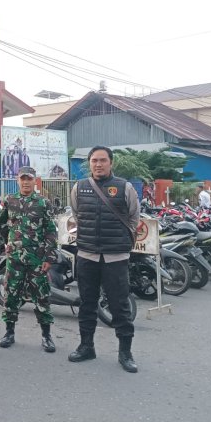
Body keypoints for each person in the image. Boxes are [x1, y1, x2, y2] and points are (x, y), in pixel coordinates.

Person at [68, 145, 140, 373]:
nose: (98, 164)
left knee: (120, 306)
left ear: (111, 163)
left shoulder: (125, 188)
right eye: (94, 161)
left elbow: (134, 217)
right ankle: (86, 346)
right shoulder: (79, 188)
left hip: (115, 256)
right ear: (89, 164)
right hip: (87, 254)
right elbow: (77, 214)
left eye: (103, 160)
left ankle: (125, 352)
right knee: (87, 303)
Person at [0, 166, 57, 352]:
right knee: (11, 295)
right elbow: (2, 224)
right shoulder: (10, 200)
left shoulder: (43, 203)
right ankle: (9, 333)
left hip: (36, 259)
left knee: (42, 296)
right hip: (14, 258)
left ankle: (46, 336)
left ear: (34, 180)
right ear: (17, 180)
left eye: (29, 178)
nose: (25, 182)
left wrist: (49, 256)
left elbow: (50, 231)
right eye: (22, 178)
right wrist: (9, 242)